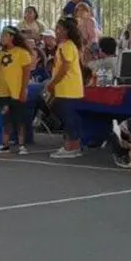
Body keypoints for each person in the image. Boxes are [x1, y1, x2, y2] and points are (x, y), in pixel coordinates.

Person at [46, 17, 86, 159]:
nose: (57, 32)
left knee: (69, 118)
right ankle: (72, 145)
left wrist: (53, 83)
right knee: (68, 117)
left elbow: (64, 68)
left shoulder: (67, 46)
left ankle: (71, 147)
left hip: (68, 88)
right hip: (65, 88)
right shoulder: (64, 46)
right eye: (56, 28)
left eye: (60, 29)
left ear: (67, 31)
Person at [0, 26, 34, 155]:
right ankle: (5, 144)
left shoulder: (22, 53)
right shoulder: (0, 53)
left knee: (19, 118)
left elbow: (26, 73)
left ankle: (21, 145)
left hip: (16, 91)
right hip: (2, 91)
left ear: (11, 37)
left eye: (4, 35)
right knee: (6, 118)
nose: (1, 37)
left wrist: (23, 89)